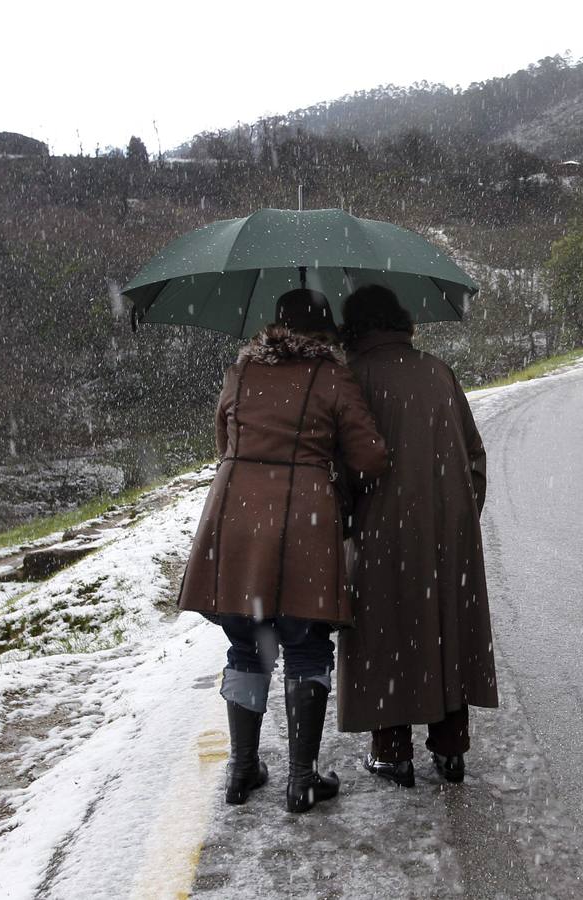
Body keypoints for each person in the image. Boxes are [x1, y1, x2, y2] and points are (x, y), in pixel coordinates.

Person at [177, 288, 389, 813]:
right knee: (305, 642)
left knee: (246, 642)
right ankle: (301, 779)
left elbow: (224, 441)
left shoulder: (241, 371)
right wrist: (329, 466)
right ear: (325, 331)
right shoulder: (332, 376)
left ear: (274, 327)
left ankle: (242, 770)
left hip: (236, 516)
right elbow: (371, 457)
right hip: (304, 523)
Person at [336, 285, 498, 788]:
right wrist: (458, 513)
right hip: (449, 526)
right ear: (401, 320)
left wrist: (348, 521)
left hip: (380, 528)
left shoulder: (352, 379)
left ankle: (392, 752)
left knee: (386, 631)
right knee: (445, 627)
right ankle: (451, 748)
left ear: (353, 328)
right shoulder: (438, 371)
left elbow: (343, 465)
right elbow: (474, 455)